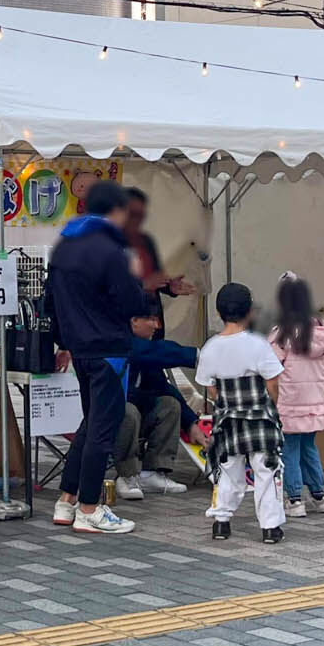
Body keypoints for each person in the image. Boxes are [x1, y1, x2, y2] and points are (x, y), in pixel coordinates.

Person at [49, 180, 148, 536]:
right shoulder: (110, 249)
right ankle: (90, 509)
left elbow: (50, 303)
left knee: (90, 423)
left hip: (80, 349)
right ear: (117, 210)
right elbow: (132, 301)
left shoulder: (64, 247)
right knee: (103, 429)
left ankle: (67, 499)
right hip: (109, 349)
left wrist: (63, 341)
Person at [196, 283, 285, 543]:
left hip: (228, 417)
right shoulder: (257, 344)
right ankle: (270, 528)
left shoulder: (210, 346)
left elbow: (209, 387)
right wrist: (271, 406)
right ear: (249, 311)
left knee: (228, 470)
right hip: (260, 416)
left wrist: (226, 403)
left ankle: (221, 522)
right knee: (266, 470)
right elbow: (273, 383)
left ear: (219, 312)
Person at [109, 305, 197, 501]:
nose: (157, 326)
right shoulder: (122, 342)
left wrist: (191, 422)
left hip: (140, 416)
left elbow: (163, 386)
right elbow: (160, 351)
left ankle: (152, 472)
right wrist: (199, 355)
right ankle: (127, 475)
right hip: (111, 419)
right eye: (151, 319)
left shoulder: (146, 351)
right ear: (134, 321)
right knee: (128, 411)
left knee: (169, 404)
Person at [268, 273, 324, 518]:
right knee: (309, 447)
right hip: (315, 403)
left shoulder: (281, 334)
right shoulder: (322, 333)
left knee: (290, 450)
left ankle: (295, 499)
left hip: (288, 404)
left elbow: (269, 368)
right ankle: (320, 496)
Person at [124, 187, 195, 311]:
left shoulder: (146, 241)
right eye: (133, 214)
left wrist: (169, 286)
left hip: (151, 314)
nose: (137, 220)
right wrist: (142, 285)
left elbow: (155, 277)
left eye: (141, 215)